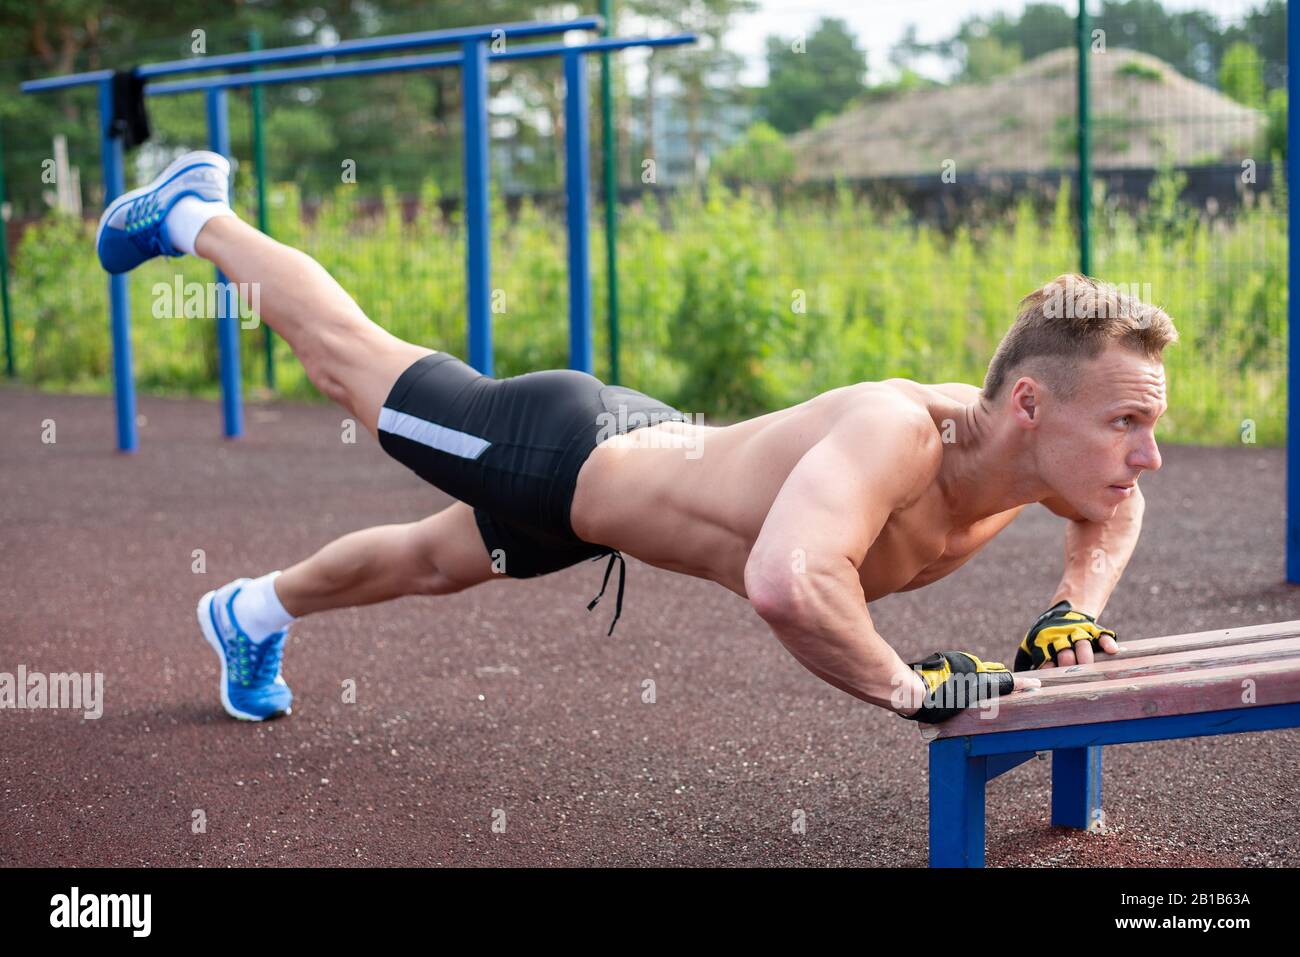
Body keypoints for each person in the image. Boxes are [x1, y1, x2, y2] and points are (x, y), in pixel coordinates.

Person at [97, 151, 1174, 724]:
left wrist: (1072, 609)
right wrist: (908, 688)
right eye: (1126, 422)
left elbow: (1115, 510)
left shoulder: (1049, 461)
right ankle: (199, 214)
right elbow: (790, 585)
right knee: (347, 360)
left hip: (637, 464)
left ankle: (246, 612)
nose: (1143, 456)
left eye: (1148, 426)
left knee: (434, 564)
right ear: (1029, 404)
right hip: (556, 452)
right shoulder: (899, 433)